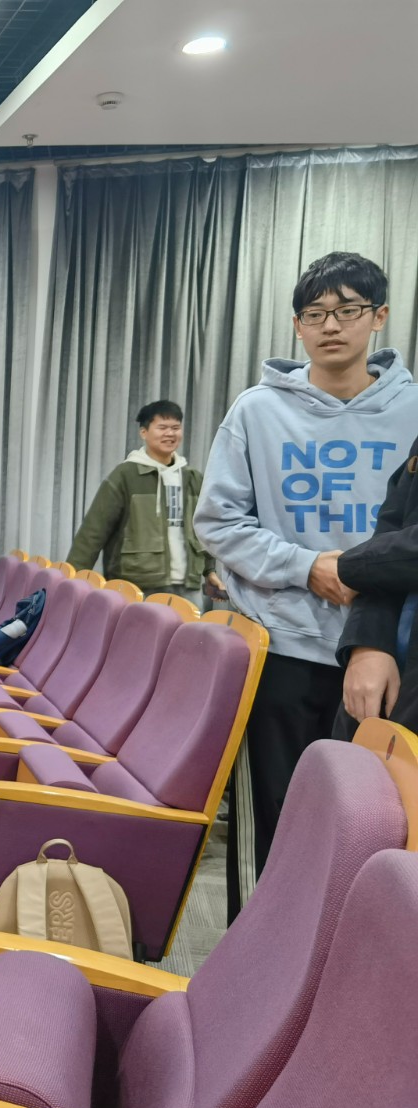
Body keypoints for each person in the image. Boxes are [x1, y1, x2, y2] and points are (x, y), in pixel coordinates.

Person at [194, 250, 418, 921]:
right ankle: (264, 954)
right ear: (297, 326)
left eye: (348, 310)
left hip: (391, 655)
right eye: (315, 314)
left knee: (378, 833)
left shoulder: (411, 412)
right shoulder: (257, 412)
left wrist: (365, 584)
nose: (331, 326)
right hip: (285, 646)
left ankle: (353, 965)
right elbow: (219, 522)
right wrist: (308, 566)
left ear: (379, 316)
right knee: (280, 826)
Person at [66, 400, 219, 602]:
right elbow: (93, 531)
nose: (170, 433)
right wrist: (72, 582)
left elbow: (204, 529)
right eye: (162, 427)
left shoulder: (193, 478)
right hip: (135, 585)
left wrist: (209, 570)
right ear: (144, 432)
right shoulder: (125, 475)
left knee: (189, 624)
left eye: (175, 428)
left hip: (187, 586)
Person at [336, 427, 418, 733]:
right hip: (389, 669)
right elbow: (392, 525)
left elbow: (381, 562)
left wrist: (353, 565)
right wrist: (368, 643)